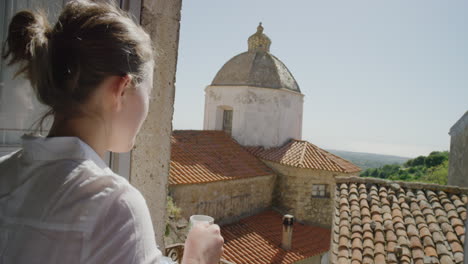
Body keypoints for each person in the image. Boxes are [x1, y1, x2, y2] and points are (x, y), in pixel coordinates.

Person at [0, 0, 224, 263]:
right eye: (148, 93)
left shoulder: (5, 171)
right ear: (120, 89)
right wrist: (198, 257)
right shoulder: (114, 204)